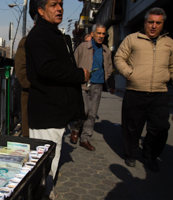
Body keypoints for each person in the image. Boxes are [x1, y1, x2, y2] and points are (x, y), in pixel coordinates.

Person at [25, 0, 90, 198]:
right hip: (47, 113)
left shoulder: (51, 33)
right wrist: (79, 74)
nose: (60, 8)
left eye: (61, 4)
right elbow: (47, 68)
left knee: (49, 160)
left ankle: (45, 192)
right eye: (53, 4)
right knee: (44, 164)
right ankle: (43, 194)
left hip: (54, 111)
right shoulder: (40, 35)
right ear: (41, 11)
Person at [114, 7, 173, 172]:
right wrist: (130, 74)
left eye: (158, 23)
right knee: (132, 127)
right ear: (145, 22)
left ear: (162, 24)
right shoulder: (132, 39)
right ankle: (131, 154)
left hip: (159, 95)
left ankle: (150, 155)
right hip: (135, 92)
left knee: (160, 128)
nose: (154, 26)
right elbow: (119, 58)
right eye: (150, 22)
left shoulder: (169, 43)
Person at [69, 23, 115, 151]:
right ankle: (75, 129)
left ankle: (85, 138)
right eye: (98, 33)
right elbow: (73, 63)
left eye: (103, 34)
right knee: (85, 110)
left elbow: (109, 68)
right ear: (93, 34)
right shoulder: (83, 47)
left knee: (93, 113)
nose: (100, 36)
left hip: (98, 85)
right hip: (83, 84)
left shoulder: (106, 50)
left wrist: (110, 83)